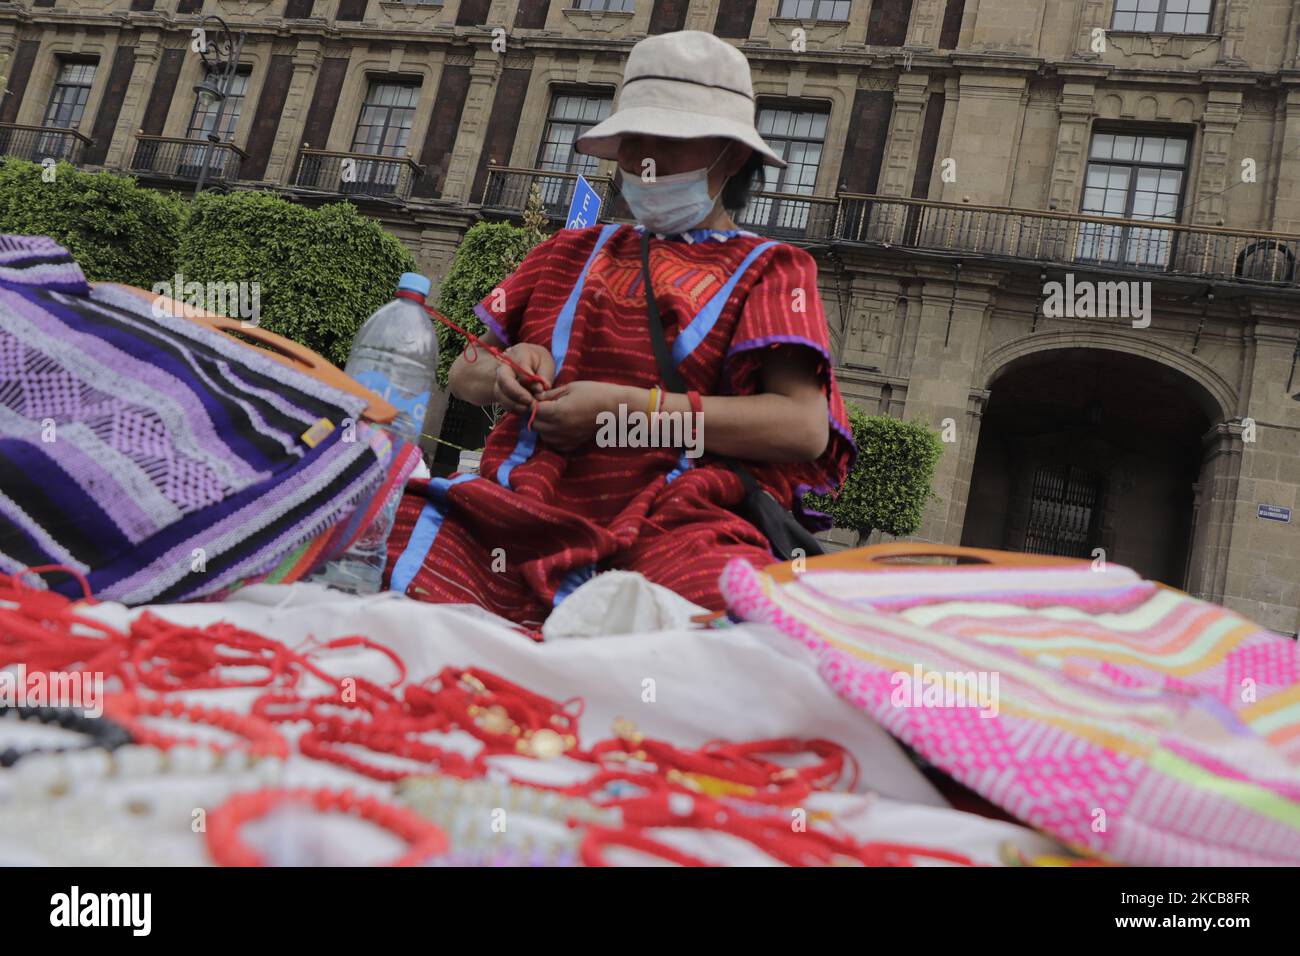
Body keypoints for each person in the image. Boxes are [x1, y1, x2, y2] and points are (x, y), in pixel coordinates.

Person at [384, 30, 854, 628]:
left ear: (730, 157)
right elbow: (464, 370)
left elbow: (802, 427)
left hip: (678, 525)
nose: (641, 160)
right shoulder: (565, 251)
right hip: (513, 515)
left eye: (668, 141)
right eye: (633, 139)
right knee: (372, 531)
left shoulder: (772, 271)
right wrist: (508, 370)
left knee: (706, 632)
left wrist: (629, 410)